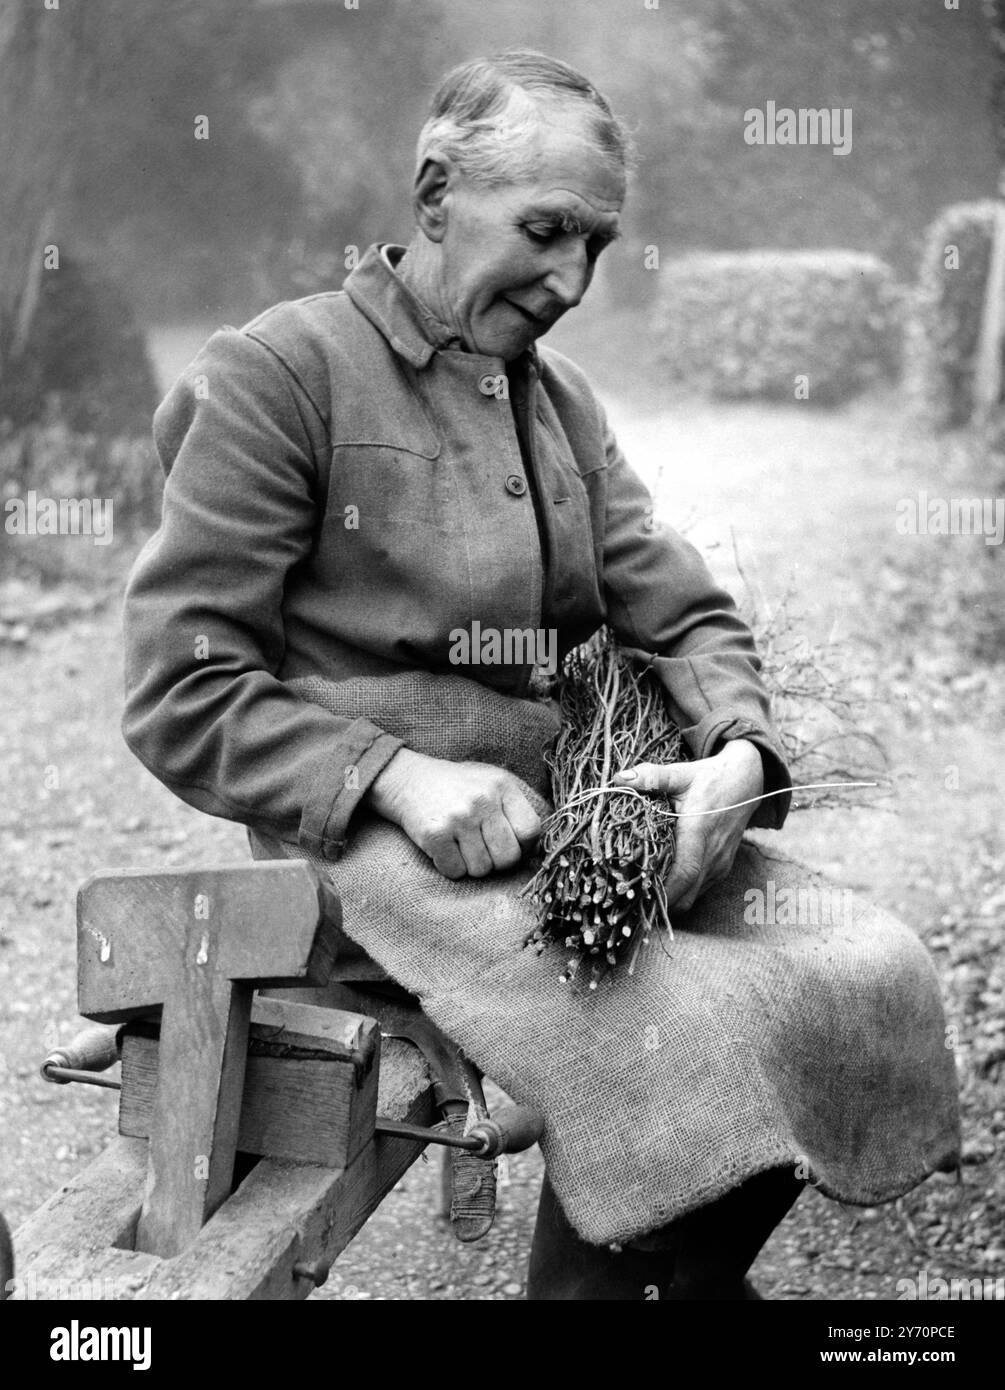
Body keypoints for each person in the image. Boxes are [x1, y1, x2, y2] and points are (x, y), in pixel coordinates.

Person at [122, 51, 959, 1299]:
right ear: (434, 193)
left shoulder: (560, 403)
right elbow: (178, 687)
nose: (571, 281)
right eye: (548, 230)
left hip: (572, 836)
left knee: (864, 967)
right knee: (686, 1041)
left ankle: (635, 1278)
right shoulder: (278, 378)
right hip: (369, 865)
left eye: (600, 245)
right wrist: (394, 777)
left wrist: (739, 755)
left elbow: (685, 610)